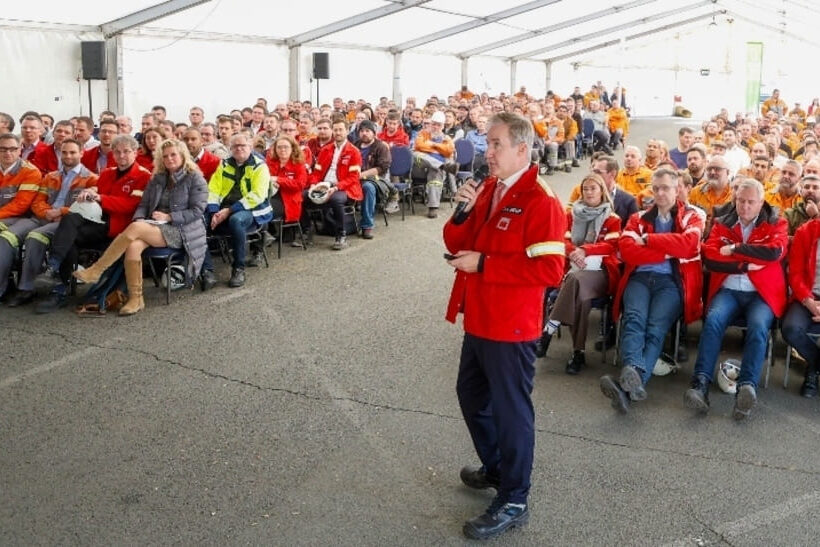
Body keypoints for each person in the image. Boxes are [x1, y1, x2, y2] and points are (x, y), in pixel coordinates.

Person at [444, 112, 565, 540]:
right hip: (480, 315)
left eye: (495, 144)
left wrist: (486, 263)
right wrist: (462, 214)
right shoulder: (491, 189)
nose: (487, 152)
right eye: (486, 143)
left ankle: (514, 496)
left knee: (512, 411)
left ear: (521, 149)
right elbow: (457, 243)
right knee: (471, 394)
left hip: (511, 324)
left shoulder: (542, 200)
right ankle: (497, 469)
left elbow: (551, 268)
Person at [599, 168, 704, 413]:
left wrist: (647, 241)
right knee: (634, 320)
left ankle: (629, 381)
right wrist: (669, 249)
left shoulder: (692, 215)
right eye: (655, 188)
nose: (659, 193)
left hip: (672, 282)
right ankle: (633, 379)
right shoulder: (639, 217)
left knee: (655, 329)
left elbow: (689, 245)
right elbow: (626, 250)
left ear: (677, 189)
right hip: (640, 277)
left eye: (665, 188)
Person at [685, 178, 788, 420]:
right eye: (740, 201)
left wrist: (733, 249)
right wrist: (744, 265)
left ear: (761, 202)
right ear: (735, 199)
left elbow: (773, 253)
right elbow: (709, 256)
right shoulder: (722, 222)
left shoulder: (776, 222)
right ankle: (700, 383)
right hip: (728, 290)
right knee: (712, 321)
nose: (744, 207)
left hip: (761, 294)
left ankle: (746, 387)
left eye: (751, 202)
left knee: (759, 326)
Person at [73, 139, 207, 314]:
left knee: (135, 229)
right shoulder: (158, 178)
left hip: (182, 230)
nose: (169, 159)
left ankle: (97, 269)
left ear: (182, 155)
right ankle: (136, 299)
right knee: (133, 246)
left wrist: (169, 216)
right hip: (154, 226)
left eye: (173, 154)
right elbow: (143, 205)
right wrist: (140, 218)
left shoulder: (195, 178)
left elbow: (197, 211)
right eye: (165, 156)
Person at [33, 135, 151, 312]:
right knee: (69, 224)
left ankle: (58, 284)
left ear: (135, 152)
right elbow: (99, 193)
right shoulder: (107, 173)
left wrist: (100, 197)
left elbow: (131, 206)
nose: (122, 156)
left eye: (126, 151)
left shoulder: (143, 175)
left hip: (119, 228)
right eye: (117, 152)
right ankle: (57, 276)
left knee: (67, 234)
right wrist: (90, 191)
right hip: (97, 222)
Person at [537, 174, 621, 374]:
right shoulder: (571, 214)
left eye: (593, 188)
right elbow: (561, 240)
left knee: (575, 281)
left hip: (601, 272)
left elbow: (611, 245)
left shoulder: (612, 218)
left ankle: (549, 328)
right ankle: (578, 353)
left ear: (602, 191)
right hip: (574, 269)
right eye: (585, 189)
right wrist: (574, 254)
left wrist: (585, 250)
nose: (589, 192)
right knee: (581, 299)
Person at [201, 133, 272, 288]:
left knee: (236, 220)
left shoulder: (260, 166)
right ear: (230, 148)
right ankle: (207, 271)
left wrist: (229, 211)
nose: (239, 149)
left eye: (243, 145)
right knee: (199, 222)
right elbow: (213, 189)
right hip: (223, 208)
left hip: (252, 209)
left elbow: (257, 195)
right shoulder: (224, 164)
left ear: (250, 147)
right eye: (235, 146)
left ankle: (238, 268)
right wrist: (213, 212)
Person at [302, 117, 362, 250]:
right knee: (301, 196)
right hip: (324, 185)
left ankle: (341, 235)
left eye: (341, 129)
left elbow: (353, 178)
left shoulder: (354, 151)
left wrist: (336, 187)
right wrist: (313, 184)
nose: (338, 132)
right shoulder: (326, 150)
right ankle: (306, 231)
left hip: (345, 188)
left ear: (347, 131)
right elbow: (316, 173)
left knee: (335, 199)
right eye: (335, 130)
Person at [782, 215, 820, 397]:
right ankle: (815, 364)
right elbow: (795, 274)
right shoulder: (806, 231)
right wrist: (809, 301)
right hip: (807, 295)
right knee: (791, 329)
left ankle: (813, 371)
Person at [412, 110, 457, 219]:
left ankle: (433, 207)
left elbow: (448, 151)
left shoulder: (447, 139)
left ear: (442, 126)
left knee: (435, 172)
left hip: (435, 171)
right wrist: (438, 149)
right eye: (433, 124)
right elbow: (419, 145)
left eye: (438, 125)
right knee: (416, 153)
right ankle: (441, 165)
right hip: (420, 167)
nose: (435, 127)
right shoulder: (422, 134)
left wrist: (432, 145)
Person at [355, 120, 393, 236]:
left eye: (367, 131)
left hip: (375, 180)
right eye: (361, 131)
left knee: (368, 187)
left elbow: (382, 168)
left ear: (373, 133)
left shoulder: (381, 147)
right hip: (354, 178)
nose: (364, 133)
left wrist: (360, 175)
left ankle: (367, 225)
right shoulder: (354, 145)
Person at [266, 134, 308, 233]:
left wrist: (279, 180)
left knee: (264, 209)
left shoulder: (298, 165)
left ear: (292, 148)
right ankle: (266, 234)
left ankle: (265, 235)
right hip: (271, 195)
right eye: (279, 147)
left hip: (289, 199)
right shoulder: (270, 162)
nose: (282, 150)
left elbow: (300, 185)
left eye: (286, 147)